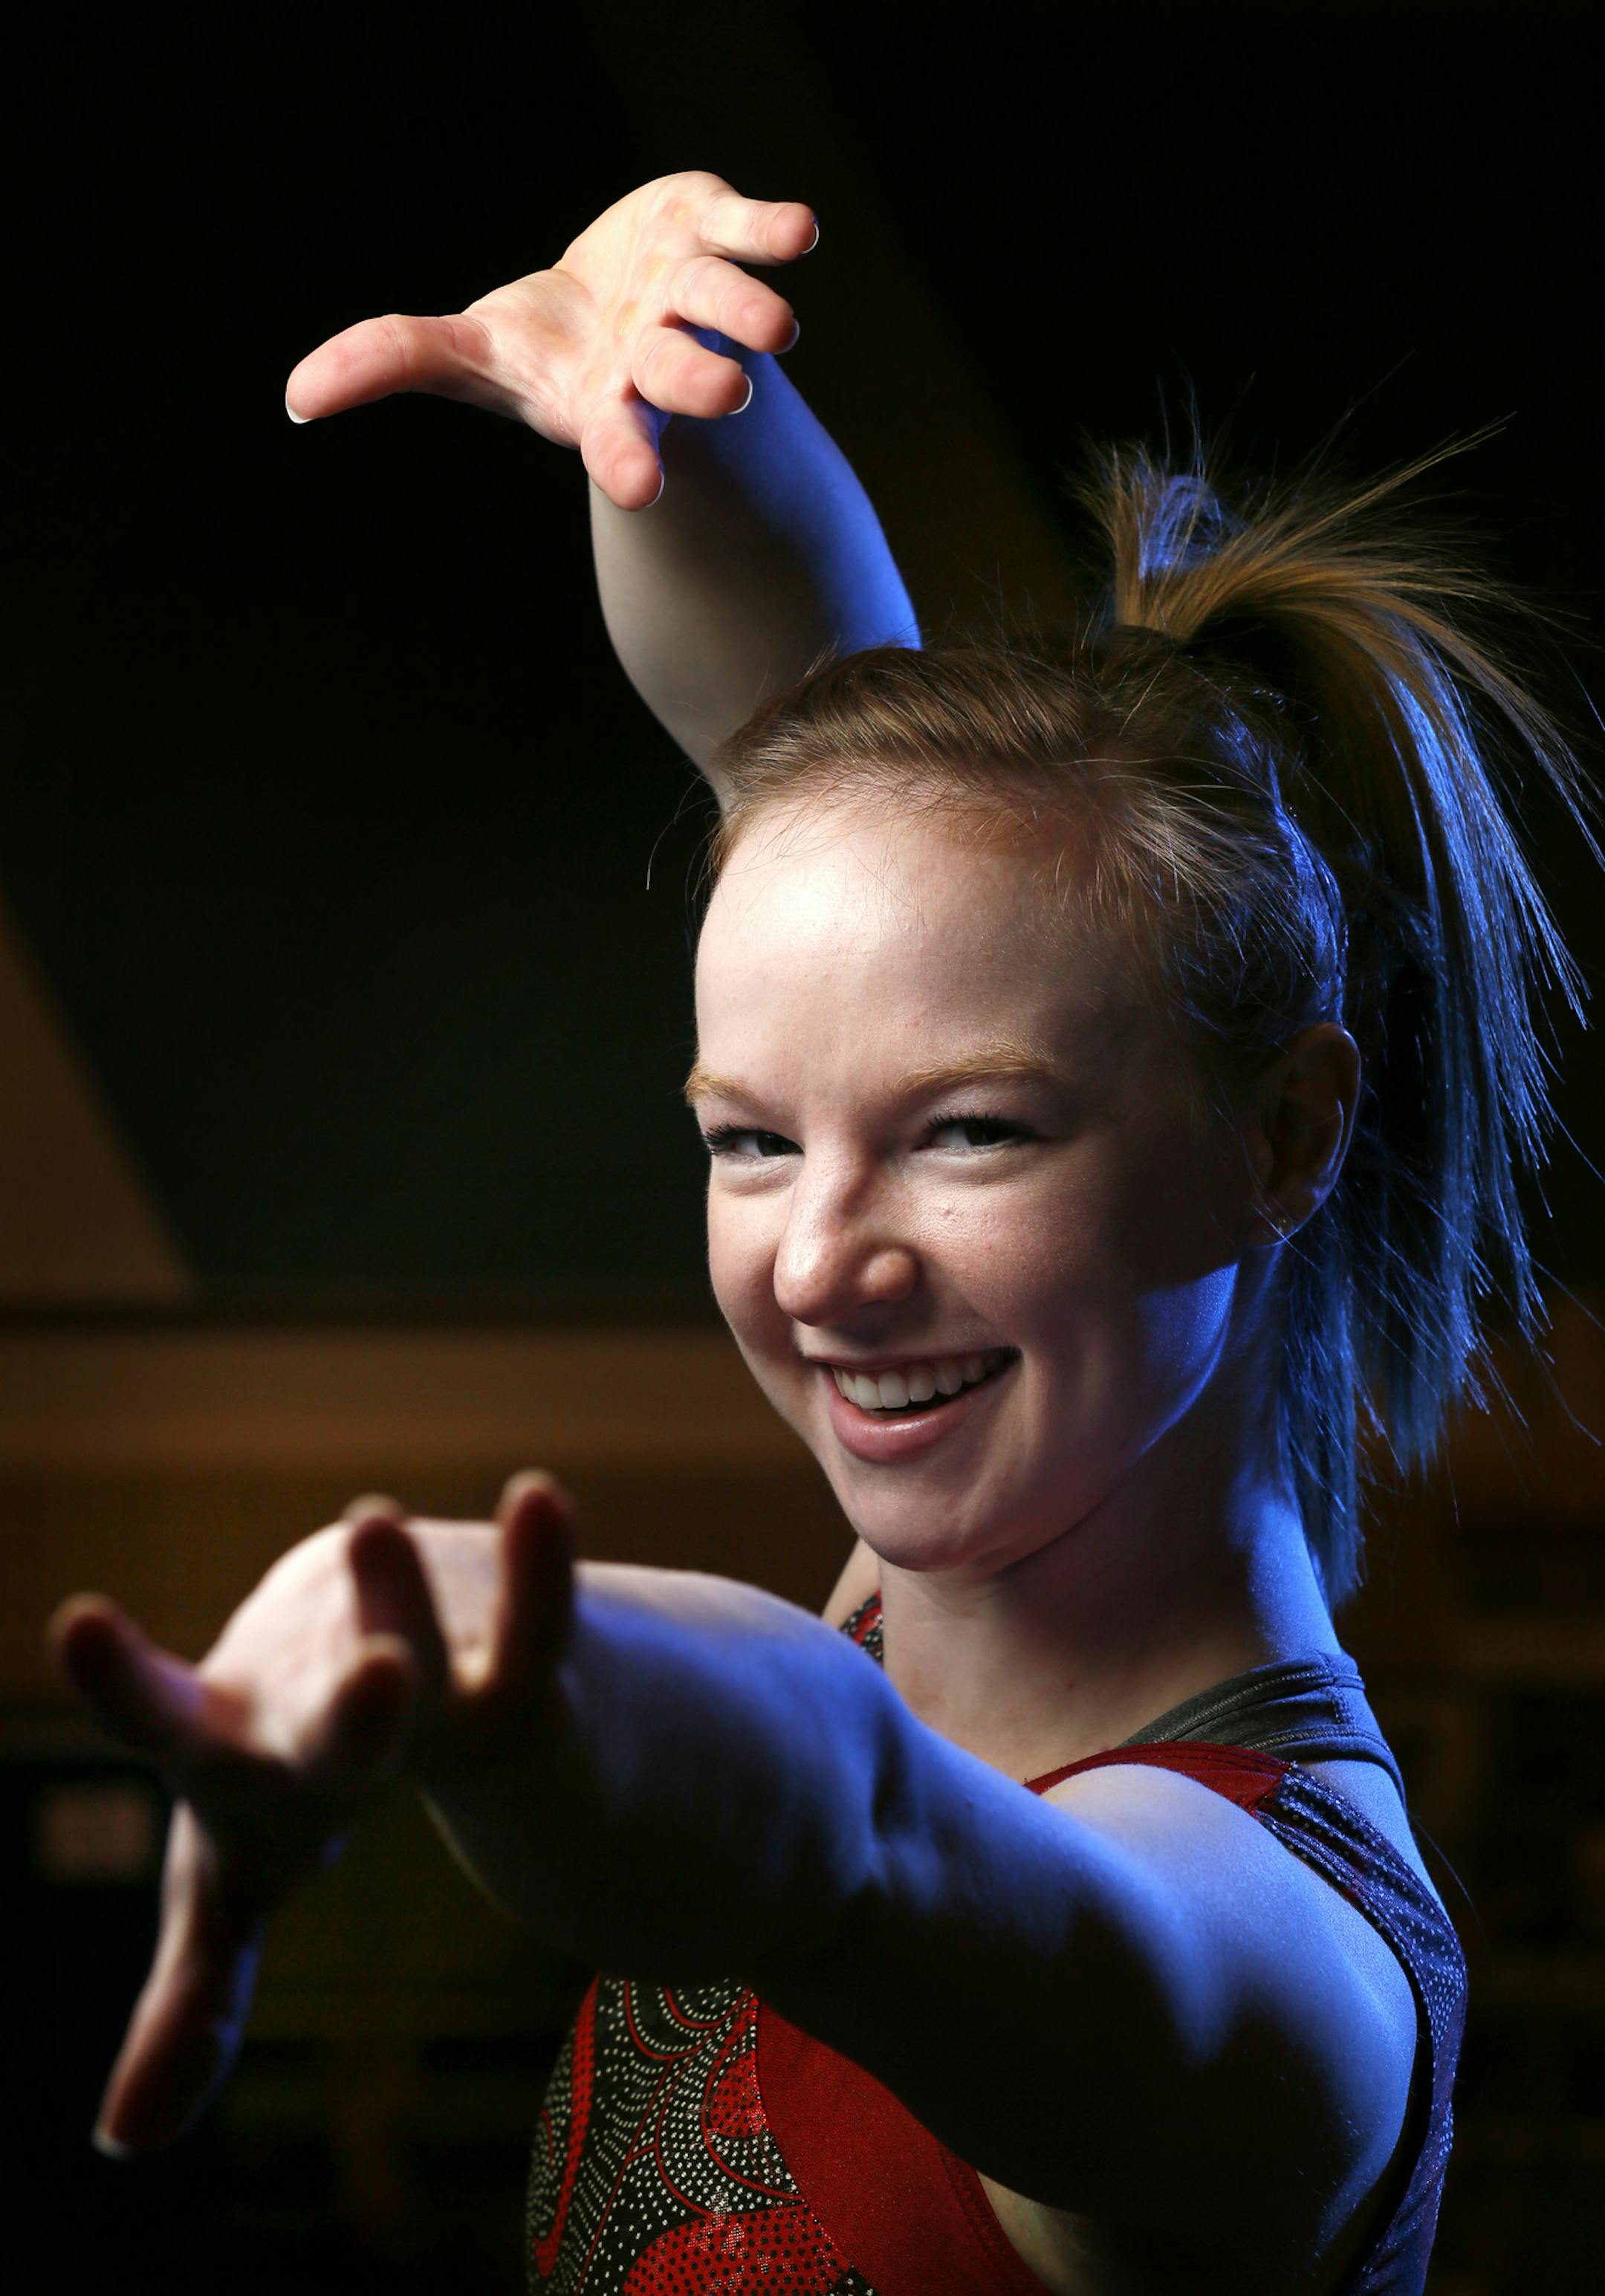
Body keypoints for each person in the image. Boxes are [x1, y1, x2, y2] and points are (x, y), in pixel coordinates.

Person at [50, 170, 1601, 2295]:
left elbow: (856, 1829)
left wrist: (510, 1669)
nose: (814, 1264)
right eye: (754, 1141)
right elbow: (835, 781)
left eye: (969, 1134)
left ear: (1284, 1135)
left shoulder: (1285, 1978)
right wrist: (667, 419)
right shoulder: (989, 1510)